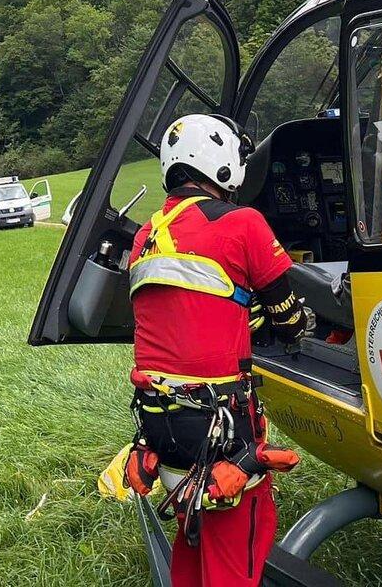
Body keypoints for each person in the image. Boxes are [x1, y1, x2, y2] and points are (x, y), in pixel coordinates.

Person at [124, 113, 306, 587]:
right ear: (224, 163)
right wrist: (299, 322)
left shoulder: (146, 237)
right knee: (237, 554)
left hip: (163, 433)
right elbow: (288, 322)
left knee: (191, 545)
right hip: (222, 439)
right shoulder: (244, 223)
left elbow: (193, 309)